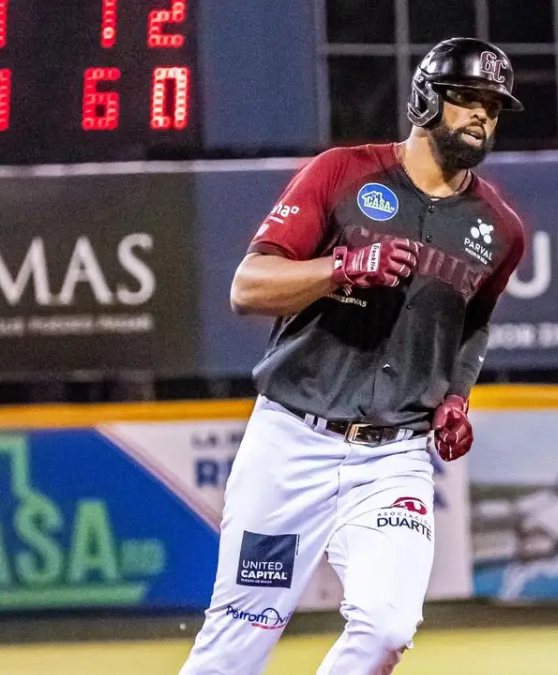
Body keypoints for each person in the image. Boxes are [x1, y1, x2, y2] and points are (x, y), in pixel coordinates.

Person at [178, 37, 527, 675]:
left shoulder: (501, 230)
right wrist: (342, 267)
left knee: (387, 628)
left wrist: (456, 394)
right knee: (241, 631)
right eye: (466, 100)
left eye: (493, 106)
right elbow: (247, 287)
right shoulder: (343, 172)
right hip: (291, 446)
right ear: (426, 99)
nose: (481, 116)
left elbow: (473, 326)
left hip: (394, 458)